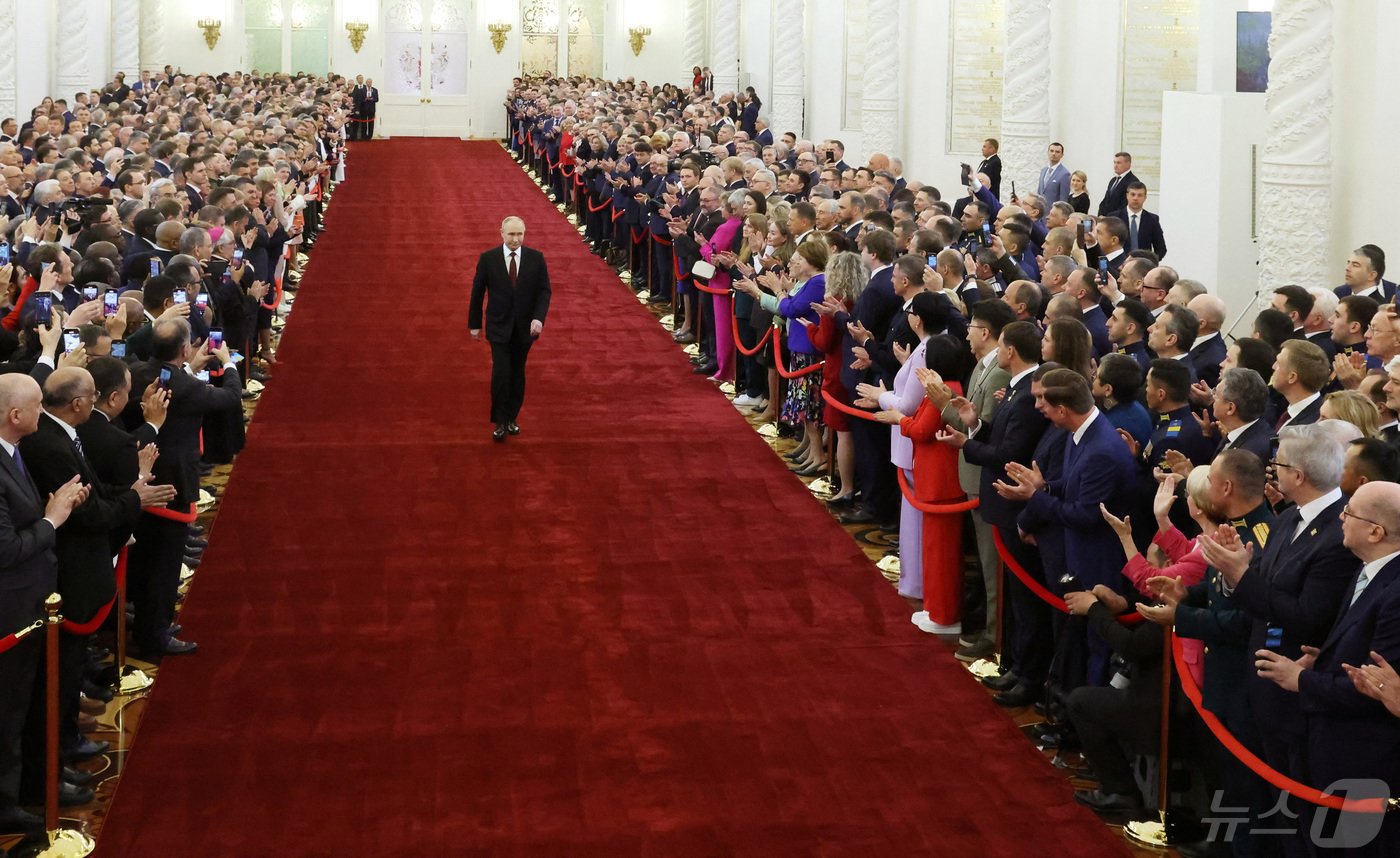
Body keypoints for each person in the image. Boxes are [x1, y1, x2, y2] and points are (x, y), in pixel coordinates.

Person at [0, 374, 87, 837]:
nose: (43, 412)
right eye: (36, 406)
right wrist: (52, 521)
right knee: (9, 712)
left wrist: (54, 506)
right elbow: (6, 548)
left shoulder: (12, 452)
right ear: (17, 416)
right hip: (10, 613)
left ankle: (32, 783)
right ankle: (6, 803)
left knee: (27, 705)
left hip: (30, 604)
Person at [876, 335, 967, 634]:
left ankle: (944, 614)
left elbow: (922, 429)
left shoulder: (944, 391)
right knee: (933, 549)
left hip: (941, 482)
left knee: (941, 553)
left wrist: (897, 419)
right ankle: (935, 608)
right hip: (934, 479)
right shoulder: (943, 389)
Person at [469, 216, 552, 441]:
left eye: (520, 234)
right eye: (512, 234)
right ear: (502, 234)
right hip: (498, 326)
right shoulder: (489, 259)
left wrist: (538, 318)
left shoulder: (536, 258)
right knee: (501, 373)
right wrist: (474, 324)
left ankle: (512, 417)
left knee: (517, 373)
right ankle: (499, 421)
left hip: (525, 329)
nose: (516, 239)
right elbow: (477, 293)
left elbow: (544, 291)